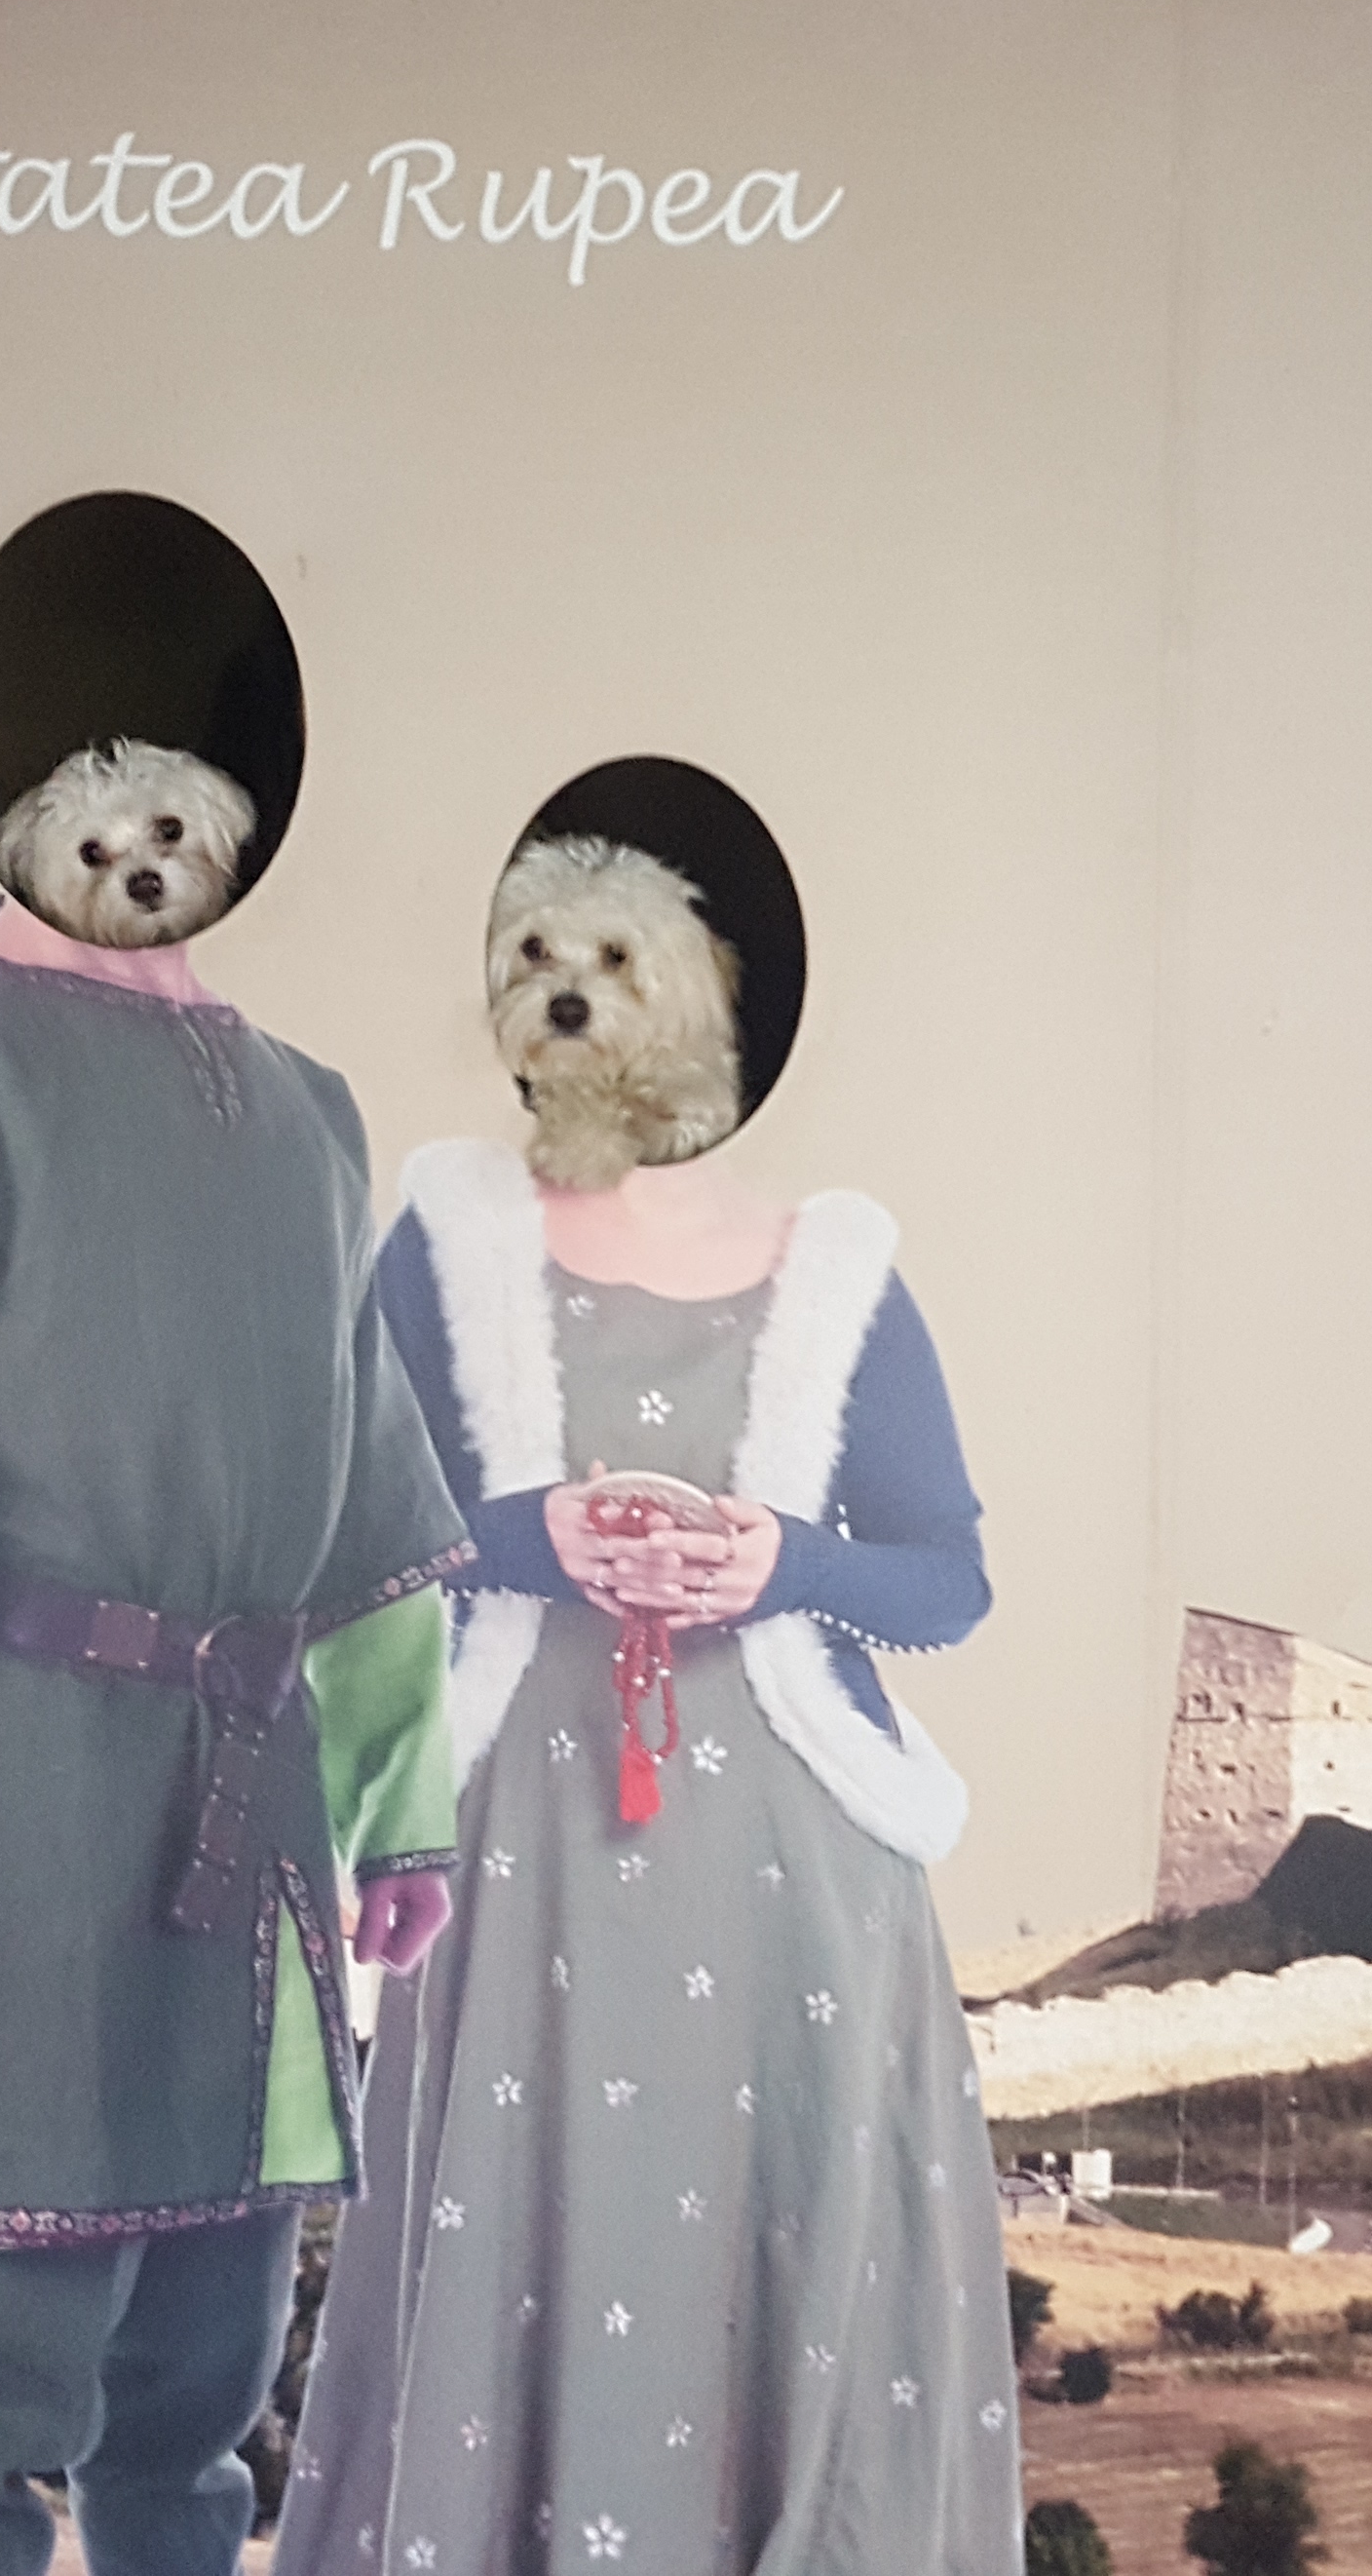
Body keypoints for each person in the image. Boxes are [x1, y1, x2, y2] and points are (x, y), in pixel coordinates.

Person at [0, 498, 468, 2576]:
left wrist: (400, 1798)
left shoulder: (309, 1110)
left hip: (257, 1810)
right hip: (27, 1805)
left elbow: (371, 1477)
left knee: (203, 2390)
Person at [286, 807, 1018, 2576]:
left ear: (703, 995)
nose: (566, 993)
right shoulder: (447, 1242)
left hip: (793, 1880)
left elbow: (948, 1578)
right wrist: (526, 1537)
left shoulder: (836, 1275)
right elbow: (333, 1528)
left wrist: (783, 1563)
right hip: (523, 1852)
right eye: (535, 958)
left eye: (612, 961)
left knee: (782, 2288)